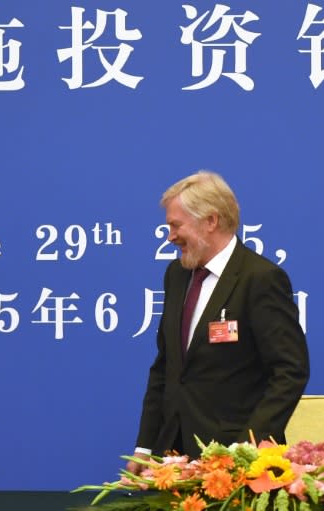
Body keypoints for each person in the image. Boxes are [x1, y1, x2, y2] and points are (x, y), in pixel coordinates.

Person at [126, 171, 309, 473]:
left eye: (175, 225)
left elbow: (290, 371)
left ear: (210, 221)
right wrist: (145, 447)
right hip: (172, 459)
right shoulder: (176, 275)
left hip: (239, 462)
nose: (170, 237)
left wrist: (246, 449)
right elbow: (166, 367)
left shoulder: (260, 279)